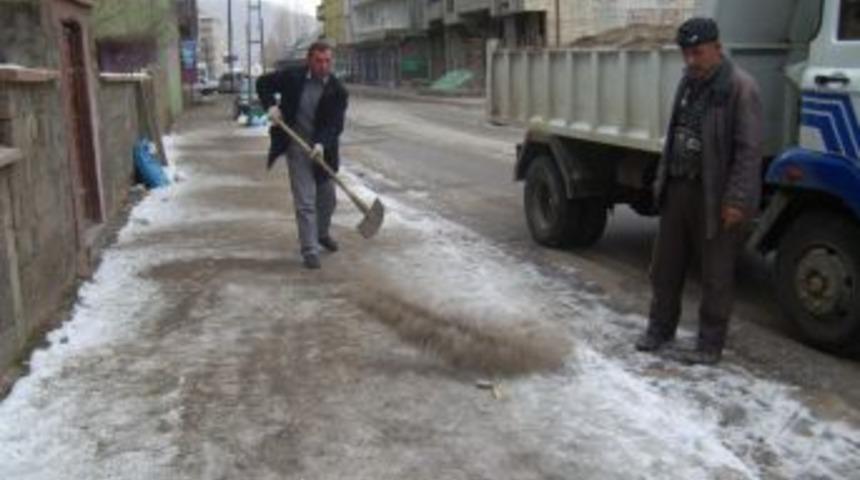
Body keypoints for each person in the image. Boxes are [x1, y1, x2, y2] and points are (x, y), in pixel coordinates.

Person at [635, 18, 763, 365]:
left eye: (698, 52)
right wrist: (662, 181)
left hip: (715, 196)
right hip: (679, 187)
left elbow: (748, 151)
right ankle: (659, 329)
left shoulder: (740, 87)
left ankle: (709, 344)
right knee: (665, 267)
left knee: (716, 274)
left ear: (717, 48)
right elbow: (675, 133)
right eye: (686, 53)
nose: (691, 60)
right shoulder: (689, 81)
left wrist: (736, 200)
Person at [256, 42, 349, 270]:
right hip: (296, 146)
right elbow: (262, 83)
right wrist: (271, 107)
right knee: (305, 200)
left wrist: (320, 144)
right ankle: (309, 249)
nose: (323, 65)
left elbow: (335, 125)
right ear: (309, 60)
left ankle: (322, 233)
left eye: (328, 61)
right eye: (319, 60)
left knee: (328, 199)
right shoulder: (293, 78)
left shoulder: (338, 91)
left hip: (322, 149)